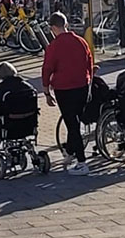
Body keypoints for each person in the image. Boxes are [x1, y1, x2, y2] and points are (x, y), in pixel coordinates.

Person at [40, 12, 95, 175]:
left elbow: (47, 68)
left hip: (64, 89)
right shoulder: (81, 41)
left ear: (53, 28)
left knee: (72, 124)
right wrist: (89, 82)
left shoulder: (54, 46)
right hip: (82, 86)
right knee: (75, 121)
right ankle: (70, 152)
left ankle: (82, 161)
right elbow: (89, 63)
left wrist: (46, 90)